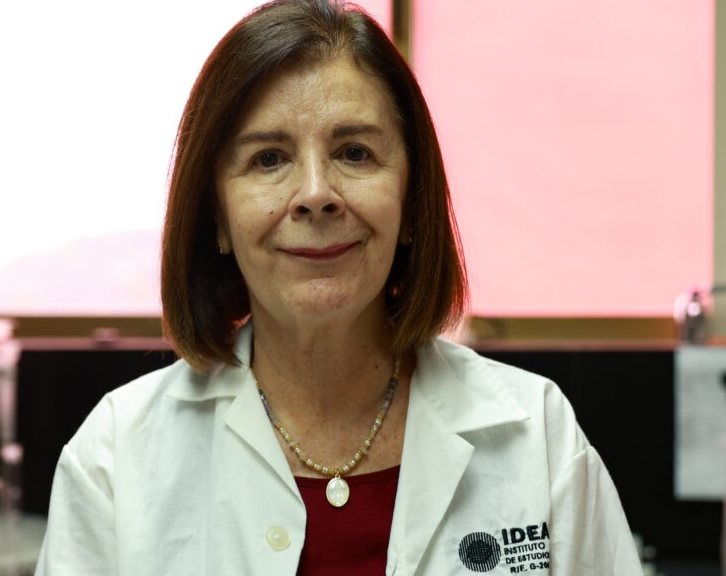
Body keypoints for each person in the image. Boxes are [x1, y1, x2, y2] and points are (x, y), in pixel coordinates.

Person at [35, 1, 644, 574]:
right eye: (268, 159)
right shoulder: (115, 458)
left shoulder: (537, 437)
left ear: (411, 199)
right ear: (217, 216)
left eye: (354, 152)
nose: (315, 194)